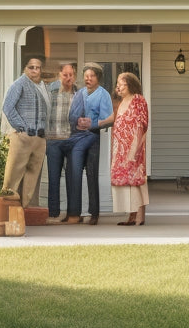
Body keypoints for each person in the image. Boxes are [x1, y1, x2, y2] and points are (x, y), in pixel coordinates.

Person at [65, 63, 114, 225]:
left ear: (98, 78)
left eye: (92, 76)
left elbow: (108, 119)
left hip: (92, 137)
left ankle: (94, 213)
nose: (88, 78)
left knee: (92, 175)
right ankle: (74, 213)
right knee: (73, 175)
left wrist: (91, 124)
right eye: (86, 75)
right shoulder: (79, 93)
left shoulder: (103, 94)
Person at [1, 56, 51, 208]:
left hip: (39, 138)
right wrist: (21, 127)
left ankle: (24, 213)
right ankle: (6, 212)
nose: (35, 70)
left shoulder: (43, 87)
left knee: (32, 178)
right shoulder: (19, 84)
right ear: (25, 68)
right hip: (23, 137)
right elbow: (8, 107)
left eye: (38, 67)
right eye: (31, 67)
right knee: (12, 177)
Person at [111, 72, 149, 226]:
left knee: (136, 181)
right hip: (120, 149)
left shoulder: (138, 100)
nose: (118, 87)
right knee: (126, 181)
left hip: (133, 148)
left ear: (130, 85)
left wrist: (136, 148)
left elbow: (141, 125)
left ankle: (139, 216)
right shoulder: (121, 102)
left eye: (122, 84)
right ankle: (131, 215)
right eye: (118, 84)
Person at [45, 62, 77, 222]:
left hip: (72, 141)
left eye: (71, 74)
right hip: (53, 140)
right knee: (53, 178)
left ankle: (72, 213)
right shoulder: (50, 90)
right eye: (65, 74)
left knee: (72, 177)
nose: (68, 77)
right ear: (59, 75)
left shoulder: (78, 93)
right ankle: (53, 213)